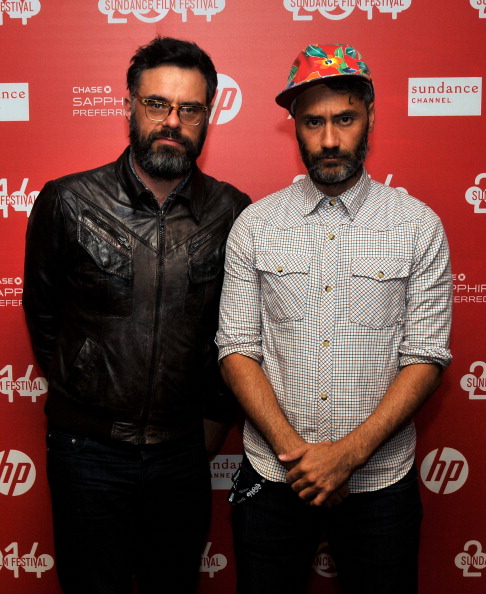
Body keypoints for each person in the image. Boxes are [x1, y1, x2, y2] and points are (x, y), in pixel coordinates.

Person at [216, 43, 452, 594]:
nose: (328, 139)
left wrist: (346, 456)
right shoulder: (255, 225)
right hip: (274, 476)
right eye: (313, 122)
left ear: (369, 117)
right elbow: (236, 349)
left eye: (344, 119)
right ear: (294, 126)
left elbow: (426, 356)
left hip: (380, 482)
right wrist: (300, 458)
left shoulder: (417, 226)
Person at [23, 36, 250, 594]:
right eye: (157, 104)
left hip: (182, 453)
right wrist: (85, 397)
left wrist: (208, 427)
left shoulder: (232, 212)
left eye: (189, 109)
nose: (172, 121)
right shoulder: (68, 201)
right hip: (86, 453)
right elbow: (44, 316)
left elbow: (237, 331)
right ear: (129, 105)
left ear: (207, 116)